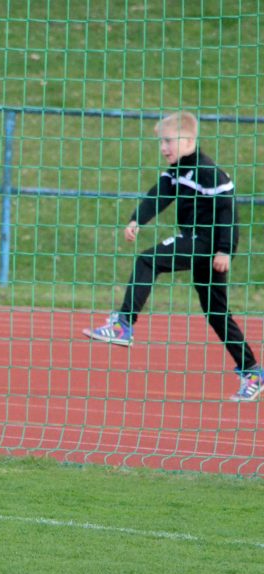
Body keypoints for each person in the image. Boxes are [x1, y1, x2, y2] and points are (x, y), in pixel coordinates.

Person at [82, 111, 262, 402]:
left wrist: (226, 250)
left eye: (168, 141)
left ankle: (123, 324)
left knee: (148, 260)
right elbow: (159, 195)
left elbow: (228, 213)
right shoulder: (177, 171)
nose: (163, 147)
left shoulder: (209, 172)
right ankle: (252, 371)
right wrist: (137, 220)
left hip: (206, 242)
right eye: (161, 142)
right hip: (197, 243)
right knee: (216, 312)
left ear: (189, 140)